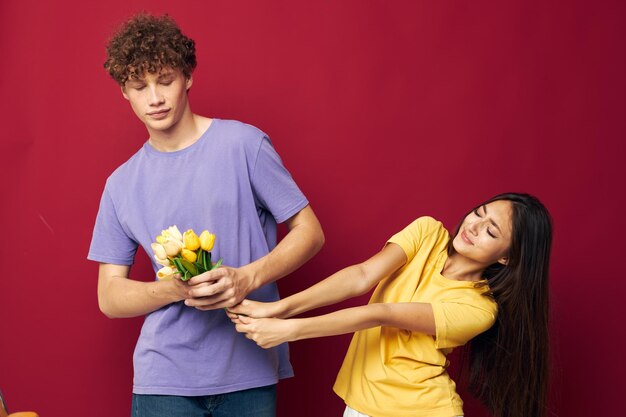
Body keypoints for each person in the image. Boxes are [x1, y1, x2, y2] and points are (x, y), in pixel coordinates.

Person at [87, 13, 324, 417]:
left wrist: (247, 277)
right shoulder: (121, 183)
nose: (155, 98)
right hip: (161, 378)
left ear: (188, 77)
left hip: (249, 366)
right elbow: (109, 296)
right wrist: (176, 289)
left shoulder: (245, 145)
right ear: (124, 93)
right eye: (139, 86)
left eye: (165, 80)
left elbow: (310, 232)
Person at [229, 192, 552, 417]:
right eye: (479, 213)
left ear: (507, 258)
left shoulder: (479, 309)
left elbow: (380, 314)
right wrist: (276, 308)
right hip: (363, 405)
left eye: (490, 231)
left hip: (419, 410)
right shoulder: (428, 234)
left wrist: (285, 330)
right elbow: (361, 276)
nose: (473, 226)